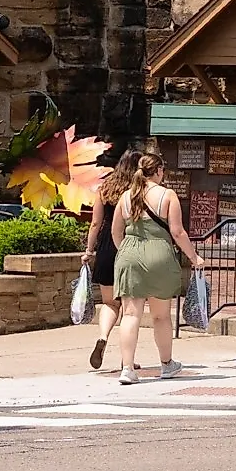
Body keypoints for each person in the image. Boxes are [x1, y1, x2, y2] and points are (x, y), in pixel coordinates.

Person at [109, 151, 199, 386]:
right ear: (158, 171)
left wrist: (126, 250)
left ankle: (127, 368)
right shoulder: (168, 195)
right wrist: (193, 256)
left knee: (130, 314)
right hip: (159, 253)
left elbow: (115, 232)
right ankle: (167, 364)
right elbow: (178, 232)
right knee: (160, 316)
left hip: (129, 253)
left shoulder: (125, 197)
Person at [84, 152, 140, 371]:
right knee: (129, 308)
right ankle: (126, 359)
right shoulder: (136, 192)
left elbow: (95, 223)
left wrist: (89, 249)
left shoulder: (105, 188)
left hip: (106, 246)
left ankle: (102, 336)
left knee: (109, 303)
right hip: (130, 244)